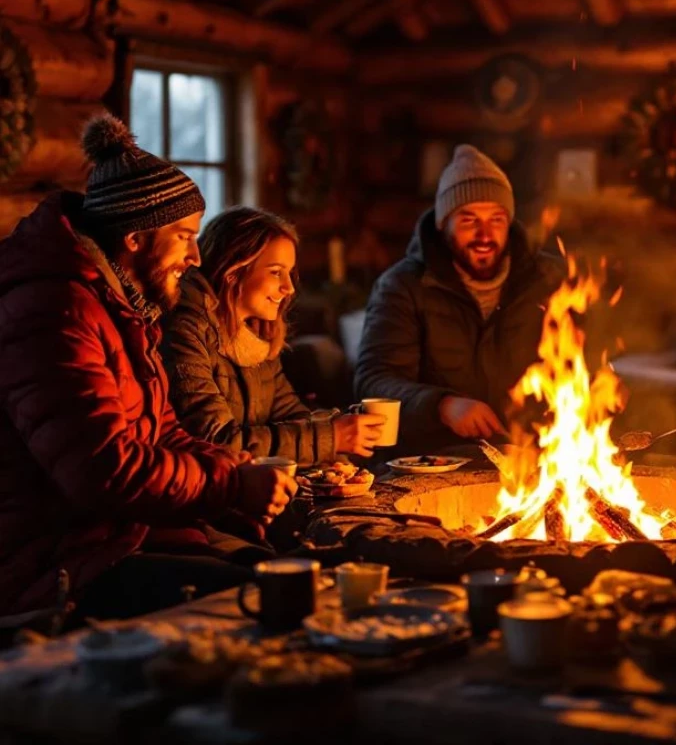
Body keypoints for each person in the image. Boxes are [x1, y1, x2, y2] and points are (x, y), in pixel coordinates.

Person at [0, 115, 296, 622]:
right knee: (259, 602)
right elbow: (102, 469)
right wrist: (229, 485)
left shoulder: (121, 307)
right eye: (183, 236)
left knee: (282, 566)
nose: (195, 256)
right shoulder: (55, 313)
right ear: (135, 239)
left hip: (117, 535)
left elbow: (161, 431)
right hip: (54, 564)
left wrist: (238, 470)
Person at [355, 144, 564, 454]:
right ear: (443, 224)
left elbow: (586, 363)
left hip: (536, 460)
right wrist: (442, 406)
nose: (484, 235)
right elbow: (373, 381)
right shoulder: (402, 286)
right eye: (468, 220)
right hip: (435, 460)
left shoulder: (549, 278)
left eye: (496, 219)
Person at [162, 207, 384, 466]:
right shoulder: (184, 331)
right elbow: (216, 441)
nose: (288, 288)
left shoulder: (255, 334)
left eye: (289, 273)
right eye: (276, 271)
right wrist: (330, 438)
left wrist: (334, 439)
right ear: (233, 271)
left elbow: (288, 413)